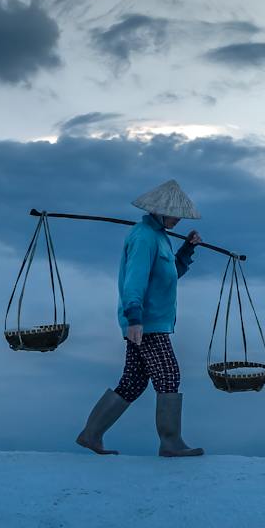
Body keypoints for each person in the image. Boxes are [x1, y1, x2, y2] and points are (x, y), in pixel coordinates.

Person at [76, 179, 206, 457]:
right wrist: (134, 318)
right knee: (169, 375)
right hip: (146, 323)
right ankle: (171, 442)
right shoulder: (144, 237)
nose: (178, 221)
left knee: (133, 382)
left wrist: (187, 250)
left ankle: (91, 435)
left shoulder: (160, 237)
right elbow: (134, 282)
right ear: (159, 212)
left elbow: (167, 277)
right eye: (174, 215)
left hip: (152, 321)